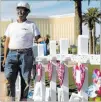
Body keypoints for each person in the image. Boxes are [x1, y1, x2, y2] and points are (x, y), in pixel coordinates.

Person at [2, 1, 40, 101]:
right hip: (11, 55)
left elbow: (38, 38)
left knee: (25, 80)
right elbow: (7, 41)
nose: (20, 11)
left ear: (27, 12)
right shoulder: (11, 26)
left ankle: (23, 99)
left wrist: (43, 39)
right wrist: (5, 57)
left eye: (23, 9)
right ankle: (11, 99)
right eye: (19, 9)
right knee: (8, 77)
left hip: (26, 55)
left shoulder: (32, 25)